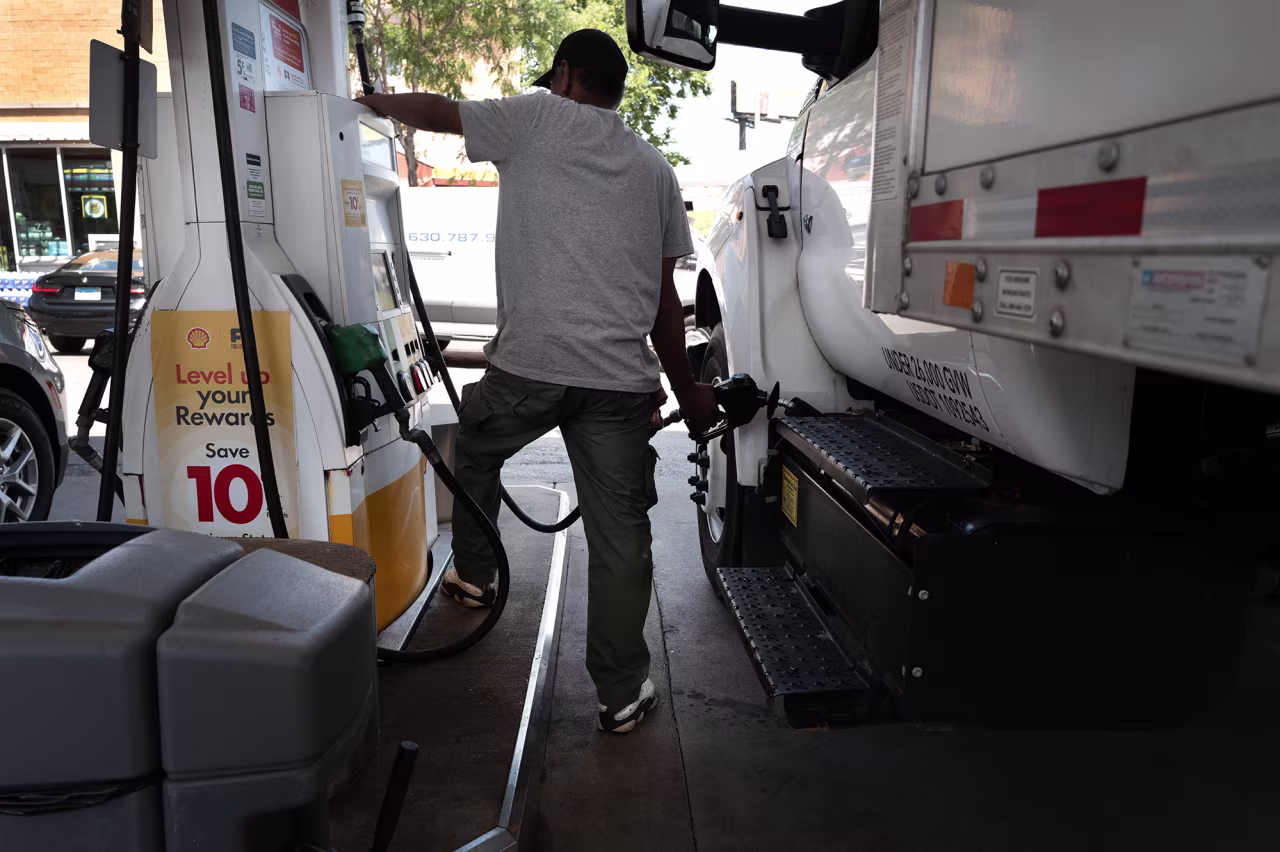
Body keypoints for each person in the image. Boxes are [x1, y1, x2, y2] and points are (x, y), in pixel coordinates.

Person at [358, 28, 718, 734]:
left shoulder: (533, 116)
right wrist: (689, 394)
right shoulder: (654, 169)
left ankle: (475, 575)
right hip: (620, 383)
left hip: (530, 367)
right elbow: (665, 306)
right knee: (621, 538)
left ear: (567, 75)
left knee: (478, 450)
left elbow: (440, 110)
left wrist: (368, 100)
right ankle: (622, 692)